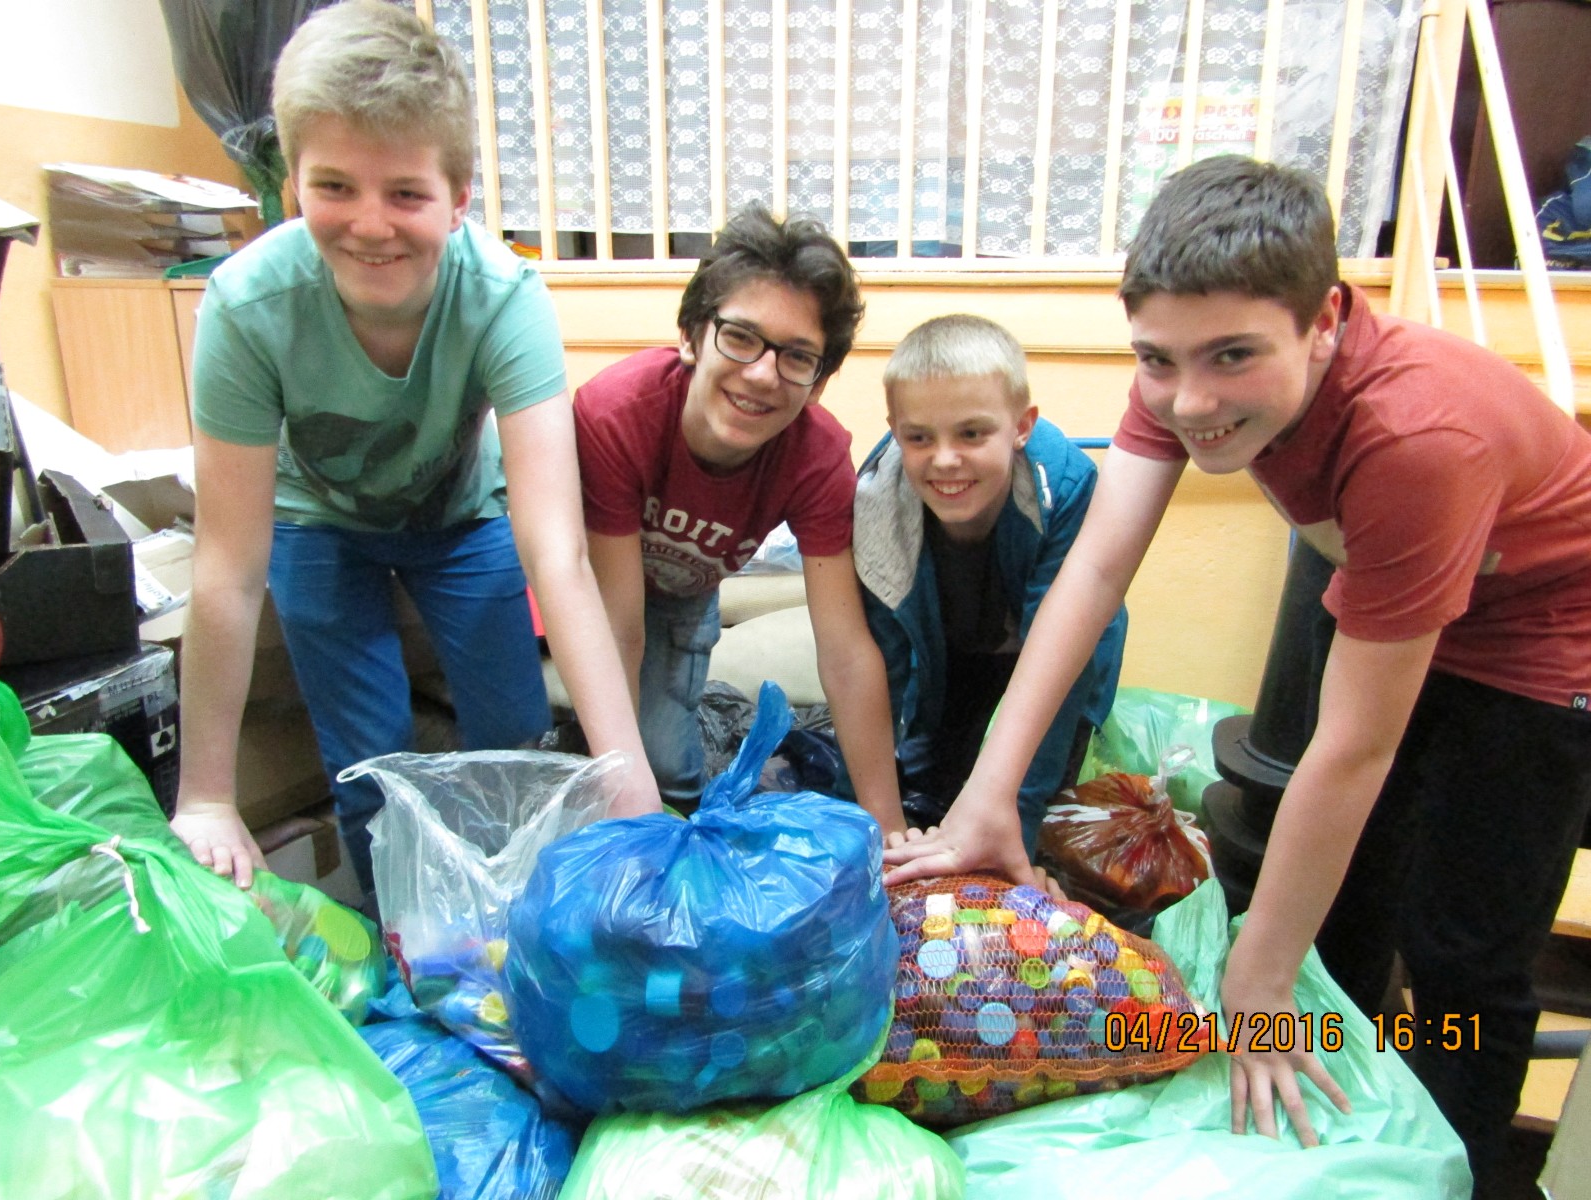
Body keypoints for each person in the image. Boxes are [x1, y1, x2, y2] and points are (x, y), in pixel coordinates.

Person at [883, 155, 1591, 1190]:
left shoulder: (1416, 439)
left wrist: (1254, 984)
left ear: (1325, 320)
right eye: (1158, 360)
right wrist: (988, 793)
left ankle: (1467, 1170)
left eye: (1232, 356)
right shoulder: (1180, 376)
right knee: (1337, 910)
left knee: (1462, 952)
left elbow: (1351, 751)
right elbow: (1094, 573)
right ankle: (1342, 1110)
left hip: (1542, 640)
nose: (1190, 399)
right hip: (1395, 588)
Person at [170, 0, 658, 897]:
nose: (370, 224)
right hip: (316, 521)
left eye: (405, 193)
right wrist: (206, 796)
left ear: (458, 198)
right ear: (293, 185)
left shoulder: (504, 297)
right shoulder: (245, 306)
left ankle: (526, 926)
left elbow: (556, 553)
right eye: (335, 187)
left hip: (459, 513)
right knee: (370, 763)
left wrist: (626, 773)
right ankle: (403, 938)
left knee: (516, 740)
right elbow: (228, 567)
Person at [574, 203, 903, 829]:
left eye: (797, 357)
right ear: (692, 336)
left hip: (684, 596)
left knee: (670, 773)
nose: (761, 374)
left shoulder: (816, 457)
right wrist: (615, 796)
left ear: (818, 382)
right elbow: (618, 628)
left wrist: (887, 830)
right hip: (596, 587)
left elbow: (845, 650)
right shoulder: (617, 415)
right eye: (741, 337)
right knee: (615, 773)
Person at [853, 314, 1125, 860]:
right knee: (935, 786)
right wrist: (875, 825)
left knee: (1029, 813)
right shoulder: (878, 502)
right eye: (919, 437)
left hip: (1050, 659)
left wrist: (1015, 825)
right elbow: (881, 665)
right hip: (951, 655)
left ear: (1022, 426)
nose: (945, 459)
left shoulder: (1066, 487)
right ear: (895, 430)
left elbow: (1064, 665)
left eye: (972, 433)